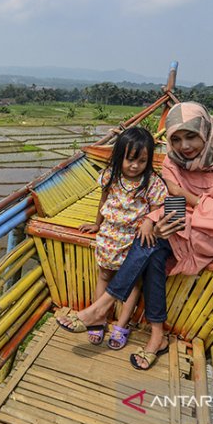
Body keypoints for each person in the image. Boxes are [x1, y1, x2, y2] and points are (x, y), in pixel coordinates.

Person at [57, 101, 213, 371]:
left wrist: (182, 197)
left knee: (150, 243)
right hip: (180, 221)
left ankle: (101, 307)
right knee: (152, 247)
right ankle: (157, 337)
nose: (184, 146)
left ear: (205, 131)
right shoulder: (173, 158)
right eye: (177, 138)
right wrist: (153, 219)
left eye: (191, 136)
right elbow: (169, 203)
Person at [77, 127, 168, 349]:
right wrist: (97, 224)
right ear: (120, 156)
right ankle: (99, 318)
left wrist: (148, 222)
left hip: (133, 239)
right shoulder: (110, 176)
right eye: (130, 159)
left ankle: (121, 324)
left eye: (142, 160)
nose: (135, 165)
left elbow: (157, 208)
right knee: (105, 274)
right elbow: (104, 200)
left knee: (132, 283)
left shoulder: (153, 183)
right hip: (109, 234)